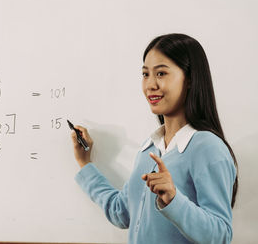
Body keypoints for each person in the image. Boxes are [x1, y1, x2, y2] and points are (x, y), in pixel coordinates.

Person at [71, 33, 238, 244]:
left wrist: (173, 199)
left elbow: (221, 235)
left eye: (161, 73)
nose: (150, 85)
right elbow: (121, 212)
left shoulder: (208, 147)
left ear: (190, 79)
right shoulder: (149, 148)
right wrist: (84, 163)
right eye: (145, 74)